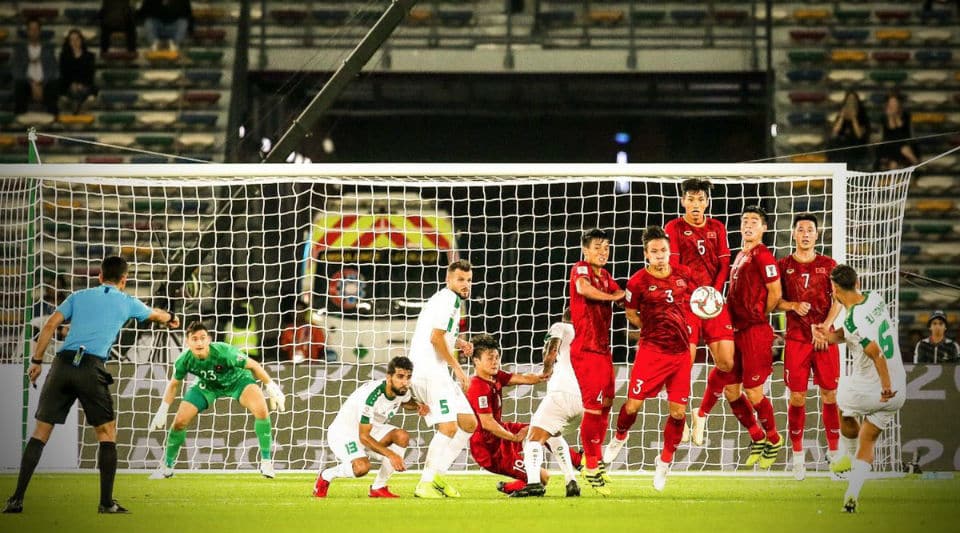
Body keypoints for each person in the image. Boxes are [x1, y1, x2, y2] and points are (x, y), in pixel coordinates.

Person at [3, 255, 179, 514]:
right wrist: (171, 317)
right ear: (124, 280)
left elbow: (50, 325)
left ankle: (16, 499)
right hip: (90, 366)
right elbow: (157, 315)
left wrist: (37, 361)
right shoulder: (127, 301)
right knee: (106, 433)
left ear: (99, 276)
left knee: (40, 432)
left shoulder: (78, 296)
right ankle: (106, 503)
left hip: (62, 365)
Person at [602, 226, 697, 491]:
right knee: (633, 405)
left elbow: (696, 302)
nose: (659, 255)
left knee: (678, 413)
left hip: (680, 353)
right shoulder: (637, 282)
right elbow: (630, 313)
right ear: (646, 254)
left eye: (663, 250)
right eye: (654, 252)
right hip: (652, 352)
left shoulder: (684, 274)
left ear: (669, 251)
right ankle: (619, 436)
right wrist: (651, 328)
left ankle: (664, 462)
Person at [813, 265, 906, 513]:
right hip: (899, 388)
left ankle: (846, 456)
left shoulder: (853, 320)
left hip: (875, 387)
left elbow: (876, 353)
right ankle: (851, 495)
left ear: (834, 289)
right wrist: (828, 336)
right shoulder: (874, 298)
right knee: (868, 440)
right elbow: (850, 334)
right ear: (857, 283)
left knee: (840, 402)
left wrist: (885, 386)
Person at [149, 321, 285, 479]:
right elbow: (174, 384)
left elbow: (254, 365)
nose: (199, 343)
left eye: (203, 338)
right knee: (179, 421)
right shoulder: (184, 360)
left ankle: (266, 462)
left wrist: (270, 385)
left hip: (238, 381)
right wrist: (163, 410)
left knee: (261, 411)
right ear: (187, 342)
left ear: (209, 339)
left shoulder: (224, 352)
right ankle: (167, 466)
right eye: (194, 339)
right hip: (207, 385)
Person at [665, 178, 735, 447]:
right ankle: (679, 417)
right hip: (686, 303)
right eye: (691, 199)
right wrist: (693, 294)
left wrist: (712, 293)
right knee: (684, 363)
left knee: (727, 363)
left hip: (713, 301)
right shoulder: (673, 227)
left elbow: (724, 263)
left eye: (701, 199)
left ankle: (701, 412)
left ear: (707, 202)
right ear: (683, 201)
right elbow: (674, 266)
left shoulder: (717, 227)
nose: (696, 204)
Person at [775, 213, 843, 480]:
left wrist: (826, 326)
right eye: (801, 229)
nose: (805, 234)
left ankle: (835, 456)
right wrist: (792, 305)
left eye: (810, 230)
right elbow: (774, 302)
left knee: (830, 395)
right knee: (797, 397)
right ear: (793, 234)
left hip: (824, 339)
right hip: (797, 340)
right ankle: (798, 457)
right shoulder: (783, 265)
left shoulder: (829, 265)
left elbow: (839, 300)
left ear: (817, 234)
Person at [408, 260, 478, 499]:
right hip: (429, 371)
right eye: (460, 279)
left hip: (435, 371)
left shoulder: (447, 299)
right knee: (448, 427)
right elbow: (435, 338)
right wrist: (458, 368)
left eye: (469, 280)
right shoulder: (448, 300)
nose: (466, 284)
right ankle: (425, 483)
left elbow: (442, 334)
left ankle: (437, 475)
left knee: (468, 423)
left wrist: (459, 342)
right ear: (448, 280)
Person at [725, 206, 784, 468]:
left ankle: (774, 438)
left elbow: (776, 293)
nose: (748, 225)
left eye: (754, 221)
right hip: (735, 331)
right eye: (745, 220)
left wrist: (759, 314)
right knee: (730, 390)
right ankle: (757, 436)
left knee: (753, 391)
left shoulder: (764, 256)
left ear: (764, 228)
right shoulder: (740, 255)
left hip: (755, 332)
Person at [313, 356, 422, 498]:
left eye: (408, 377)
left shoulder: (401, 390)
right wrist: (391, 455)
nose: (405, 382)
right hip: (344, 434)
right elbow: (363, 437)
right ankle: (326, 475)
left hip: (371, 430)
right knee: (361, 468)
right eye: (400, 377)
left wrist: (419, 406)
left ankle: (378, 487)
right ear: (389, 377)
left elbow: (406, 401)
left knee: (401, 436)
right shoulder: (370, 397)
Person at [568, 228, 624, 495]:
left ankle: (596, 459)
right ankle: (590, 465)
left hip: (602, 349)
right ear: (586, 250)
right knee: (593, 408)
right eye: (598, 247)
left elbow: (621, 294)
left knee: (606, 403)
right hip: (586, 349)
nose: (603, 252)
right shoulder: (581, 269)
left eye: (606, 248)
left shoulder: (606, 276)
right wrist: (614, 297)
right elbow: (583, 289)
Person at [465, 334, 557, 496]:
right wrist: (514, 438)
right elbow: (487, 423)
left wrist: (541, 376)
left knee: (542, 428)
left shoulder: (495, 377)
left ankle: (580, 461)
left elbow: (522, 378)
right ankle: (509, 487)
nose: (495, 362)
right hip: (489, 450)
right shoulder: (478, 387)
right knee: (543, 477)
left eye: (497, 357)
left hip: (500, 436)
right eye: (490, 358)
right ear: (476, 361)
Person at [515, 309, 584, 498]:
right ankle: (571, 482)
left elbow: (552, 349)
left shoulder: (561, 327)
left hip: (562, 394)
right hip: (583, 402)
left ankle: (533, 483)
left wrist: (546, 369)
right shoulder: (589, 335)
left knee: (532, 438)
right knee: (552, 435)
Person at [12, 18, 59, 116]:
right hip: (26, 83)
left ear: (40, 31)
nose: (33, 32)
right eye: (31, 29)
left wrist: (41, 84)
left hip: (45, 82)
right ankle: (19, 118)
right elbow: (16, 71)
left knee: (53, 85)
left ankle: (53, 119)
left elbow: (54, 70)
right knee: (19, 85)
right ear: (27, 31)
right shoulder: (20, 50)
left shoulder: (48, 49)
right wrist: (32, 83)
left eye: (36, 29)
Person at [829, 90, 871, 171]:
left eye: (853, 100)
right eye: (848, 101)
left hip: (856, 146)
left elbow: (859, 135)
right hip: (842, 146)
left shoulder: (862, 117)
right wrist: (841, 117)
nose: (851, 103)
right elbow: (834, 133)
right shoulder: (841, 117)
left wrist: (854, 118)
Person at [876, 92, 919, 170]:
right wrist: (891, 117)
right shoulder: (883, 117)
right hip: (888, 145)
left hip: (905, 143)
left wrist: (897, 118)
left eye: (895, 102)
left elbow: (904, 135)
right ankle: (913, 159)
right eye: (891, 103)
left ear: (899, 104)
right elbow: (888, 136)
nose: (893, 105)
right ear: (888, 104)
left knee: (903, 148)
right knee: (900, 151)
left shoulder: (906, 116)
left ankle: (910, 157)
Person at [58, 29, 97, 114]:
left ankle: (76, 108)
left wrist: (81, 85)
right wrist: (72, 84)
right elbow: (63, 74)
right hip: (68, 86)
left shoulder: (90, 56)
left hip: (85, 86)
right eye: (72, 40)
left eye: (77, 39)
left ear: (81, 40)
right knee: (71, 92)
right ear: (69, 42)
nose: (75, 42)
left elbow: (90, 75)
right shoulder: (64, 56)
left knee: (84, 92)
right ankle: (79, 108)